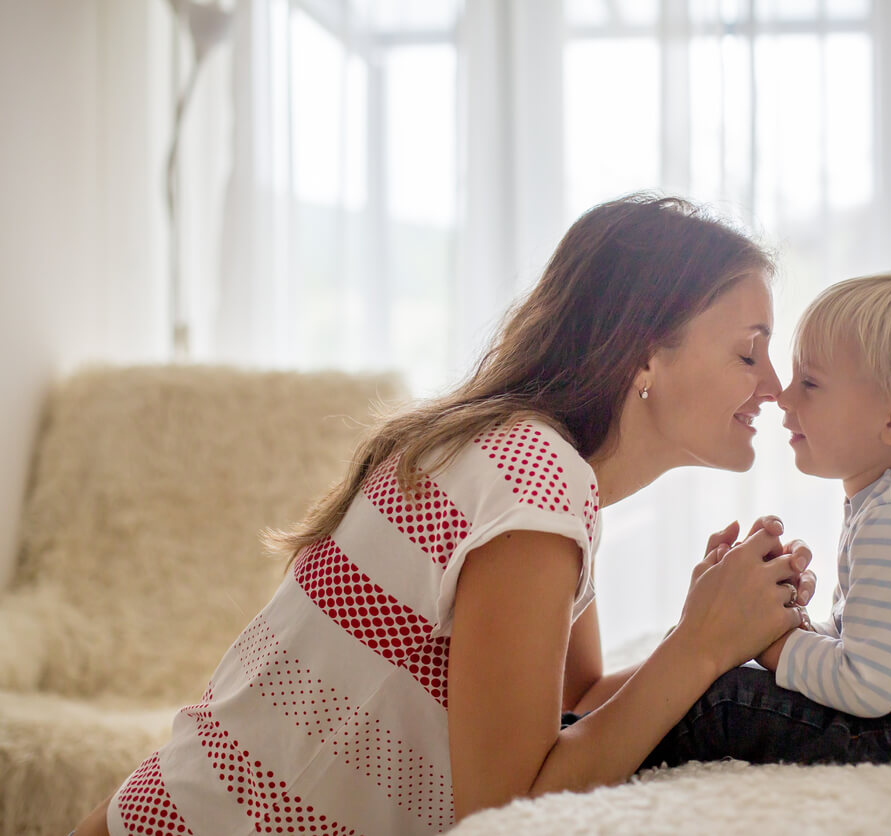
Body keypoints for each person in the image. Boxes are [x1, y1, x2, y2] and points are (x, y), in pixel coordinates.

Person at [72, 194, 817, 835]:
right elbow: (503, 814)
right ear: (644, 356)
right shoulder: (535, 482)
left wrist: (715, 630)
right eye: (749, 353)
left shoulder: (526, 462)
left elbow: (577, 700)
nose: (776, 387)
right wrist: (697, 645)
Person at [642, 270, 891, 769]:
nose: (784, 398)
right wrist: (789, 620)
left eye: (810, 384)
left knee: (729, 700)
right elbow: (860, 643)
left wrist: (769, 642)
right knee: (726, 675)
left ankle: (613, 747)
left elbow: (864, 684)